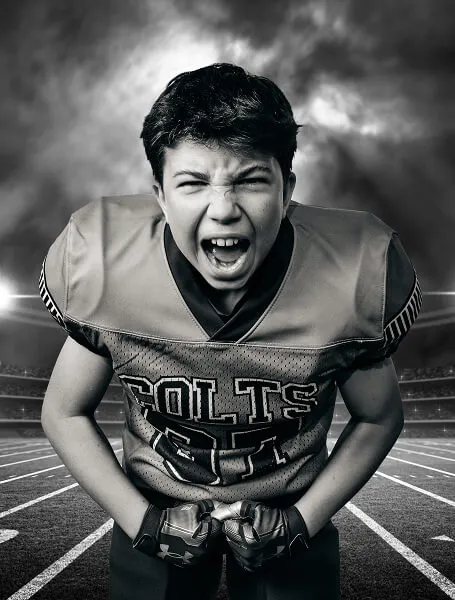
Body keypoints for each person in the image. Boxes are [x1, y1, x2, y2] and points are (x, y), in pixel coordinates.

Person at [39, 63, 421, 600]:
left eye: (250, 180)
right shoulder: (102, 262)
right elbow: (63, 410)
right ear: (160, 195)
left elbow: (379, 415)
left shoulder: (357, 268)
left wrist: (299, 523)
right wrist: (145, 522)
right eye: (193, 183)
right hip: (156, 501)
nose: (223, 209)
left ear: (288, 188)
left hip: (288, 510)